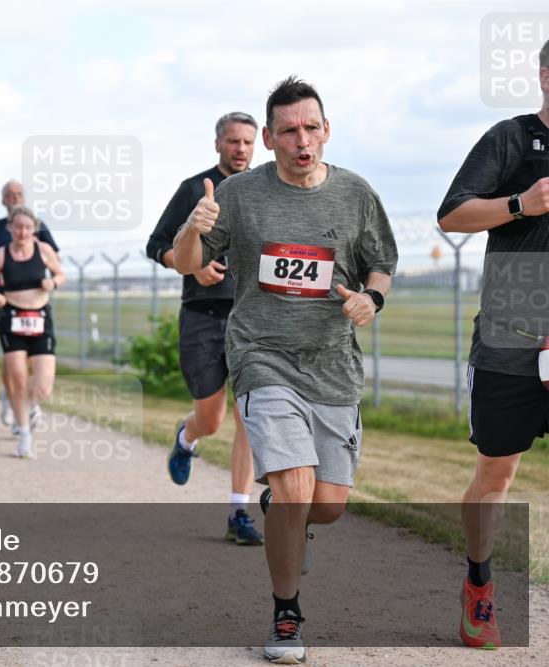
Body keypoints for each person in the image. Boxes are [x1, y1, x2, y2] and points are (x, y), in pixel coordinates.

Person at [173, 76, 398, 663]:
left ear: (327, 131)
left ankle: (282, 515)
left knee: (327, 505)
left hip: (333, 368)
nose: (303, 140)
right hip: (261, 355)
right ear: (269, 138)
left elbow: (381, 264)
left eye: (312, 128)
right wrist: (193, 229)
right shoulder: (242, 194)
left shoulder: (356, 194)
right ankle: (287, 613)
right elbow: (186, 261)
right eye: (290, 131)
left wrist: (371, 300)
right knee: (295, 486)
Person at [437, 39, 549, 650]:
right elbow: (451, 215)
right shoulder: (511, 138)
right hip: (515, 339)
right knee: (497, 473)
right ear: (544, 75)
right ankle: (479, 583)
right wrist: (518, 204)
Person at [147, 110, 264, 546]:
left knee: (248, 417)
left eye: (248, 142)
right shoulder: (194, 189)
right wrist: (191, 268)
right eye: (233, 141)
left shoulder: (264, 190)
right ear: (218, 144)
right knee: (212, 420)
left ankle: (238, 512)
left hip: (249, 317)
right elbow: (156, 244)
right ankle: (186, 436)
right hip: (201, 314)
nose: (241, 150)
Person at [0, 206, 65, 458]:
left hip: (40, 318)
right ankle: (24, 435)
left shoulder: (44, 250)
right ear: (10, 228)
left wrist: (53, 282)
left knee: (43, 385)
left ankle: (32, 406)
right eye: (17, 227)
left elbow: (61, 274)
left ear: (33, 229)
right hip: (13, 318)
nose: (22, 232)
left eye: (27, 227)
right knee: (17, 379)